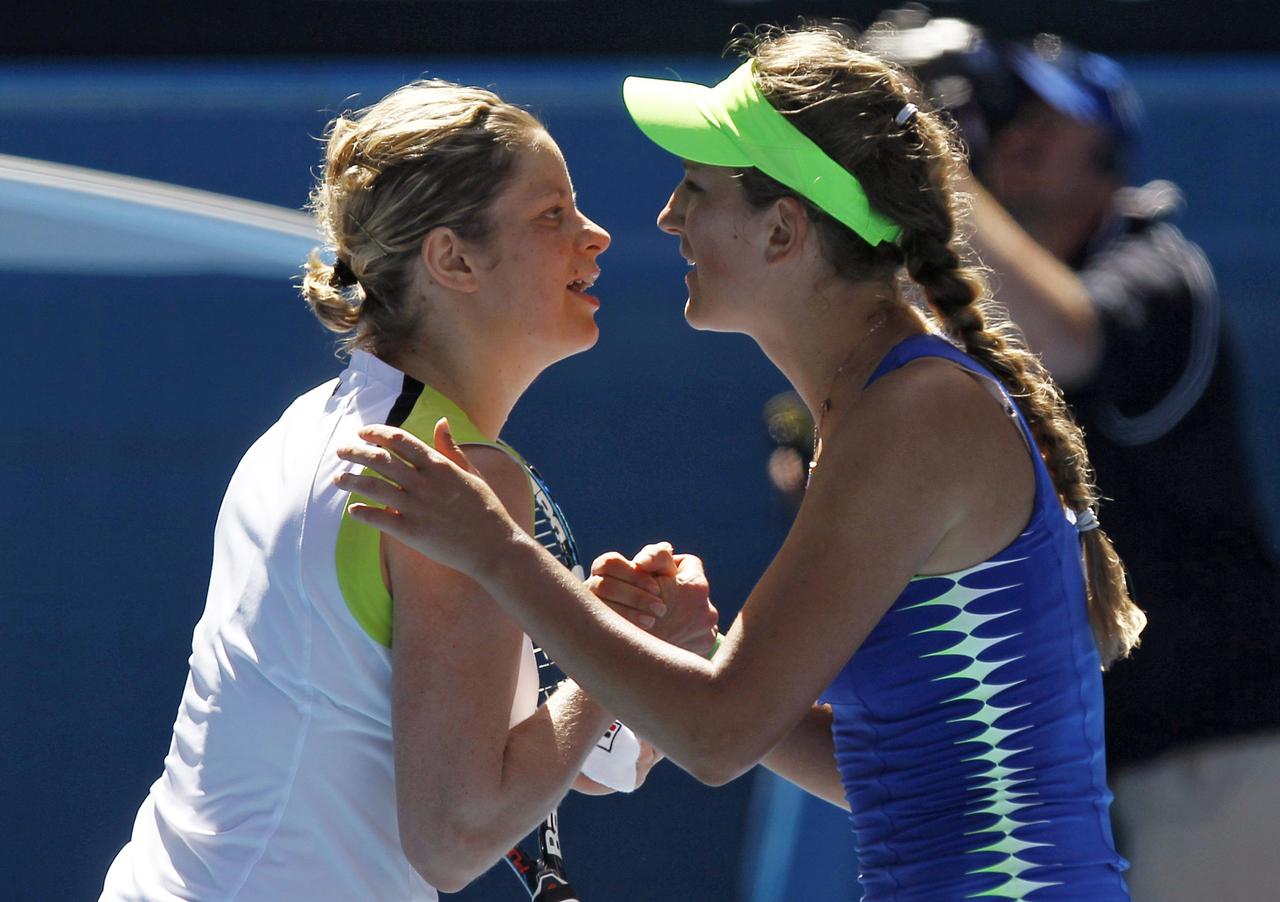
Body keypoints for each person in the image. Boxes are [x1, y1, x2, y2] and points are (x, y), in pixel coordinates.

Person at [336, 26, 1147, 900]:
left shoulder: (916, 418)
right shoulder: (887, 407)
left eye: (695, 188)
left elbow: (718, 737)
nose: (667, 216)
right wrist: (703, 651)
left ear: (783, 231)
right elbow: (894, 764)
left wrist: (497, 552)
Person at [99, 79, 716, 901]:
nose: (596, 237)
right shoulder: (453, 478)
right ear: (452, 258)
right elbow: (456, 836)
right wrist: (615, 649)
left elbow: (546, 764)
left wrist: (627, 654)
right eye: (552, 217)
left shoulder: (308, 430)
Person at [869, 15, 1280, 898]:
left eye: (1055, 116)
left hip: (1217, 756)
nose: (1024, 129)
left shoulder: (1161, 270)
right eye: (1010, 111)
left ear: (1111, 148)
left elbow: (1070, 338)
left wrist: (915, 148)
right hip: (1076, 769)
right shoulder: (971, 314)